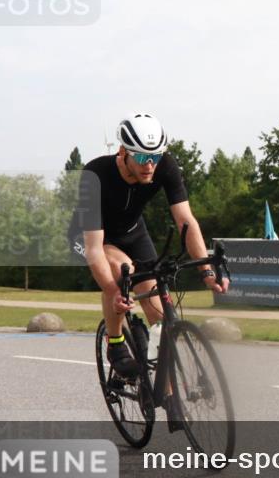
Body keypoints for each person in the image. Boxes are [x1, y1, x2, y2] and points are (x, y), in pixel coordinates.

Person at [68, 112, 229, 380]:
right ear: (122, 152)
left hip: (134, 232)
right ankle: (116, 344)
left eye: (154, 158)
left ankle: (166, 398)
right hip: (94, 237)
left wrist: (207, 272)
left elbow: (186, 221)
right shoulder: (95, 174)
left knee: (160, 318)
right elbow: (95, 249)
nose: (149, 165)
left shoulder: (165, 165)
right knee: (123, 271)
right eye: (142, 157)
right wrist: (114, 291)